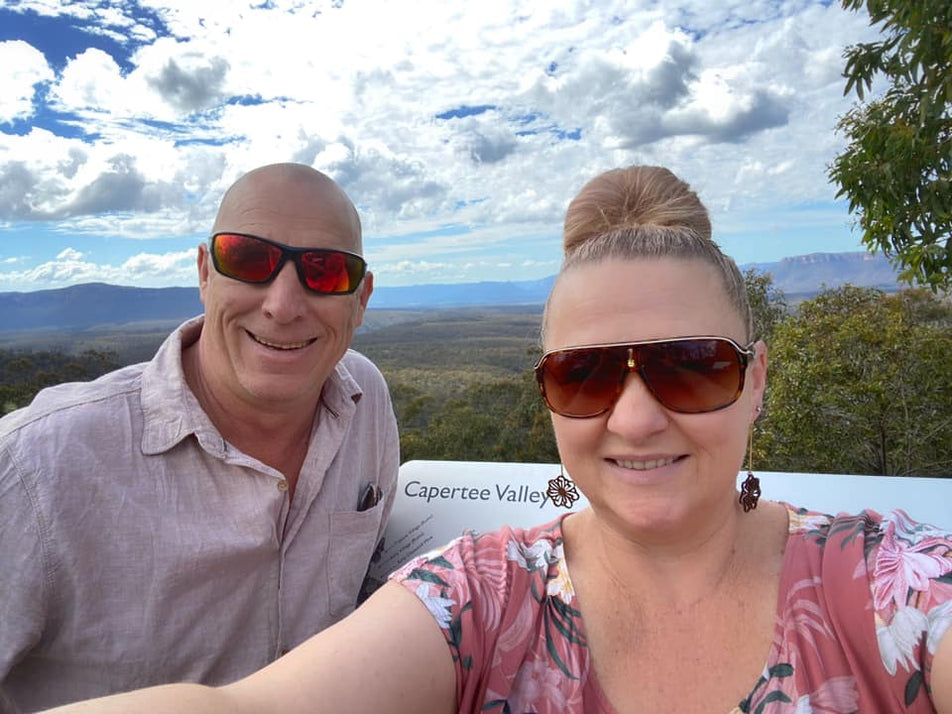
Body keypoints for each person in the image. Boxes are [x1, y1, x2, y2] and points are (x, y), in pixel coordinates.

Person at [42, 165, 952, 713]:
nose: (635, 418)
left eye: (689, 367)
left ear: (757, 380)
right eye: (586, 376)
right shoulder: (479, 593)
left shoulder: (894, 587)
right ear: (547, 397)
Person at [0, 163, 400, 711]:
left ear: (361, 298)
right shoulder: (33, 466)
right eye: (250, 259)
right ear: (206, 272)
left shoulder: (365, 401)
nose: (283, 305)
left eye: (327, 272)